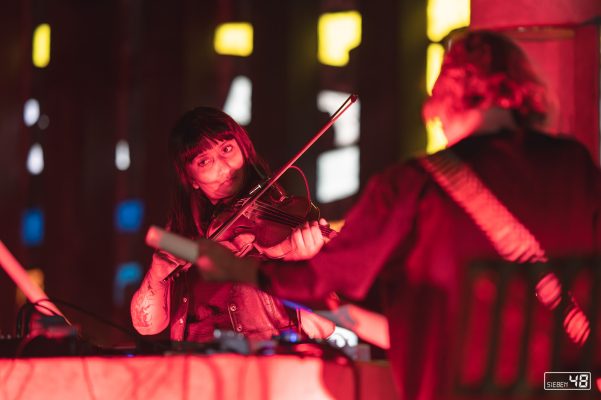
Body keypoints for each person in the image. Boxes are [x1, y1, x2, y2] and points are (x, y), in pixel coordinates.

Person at [192, 30, 601, 399]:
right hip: (563, 384)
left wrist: (253, 267)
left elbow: (318, 285)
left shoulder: (413, 184)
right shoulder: (576, 165)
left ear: (447, 95)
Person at [130, 107, 333, 343]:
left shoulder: (285, 219)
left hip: (264, 369)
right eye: (204, 161)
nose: (224, 167)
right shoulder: (181, 235)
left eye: (227, 149)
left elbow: (324, 327)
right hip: (195, 370)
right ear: (191, 179)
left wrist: (304, 265)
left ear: (244, 150)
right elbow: (146, 327)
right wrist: (156, 276)